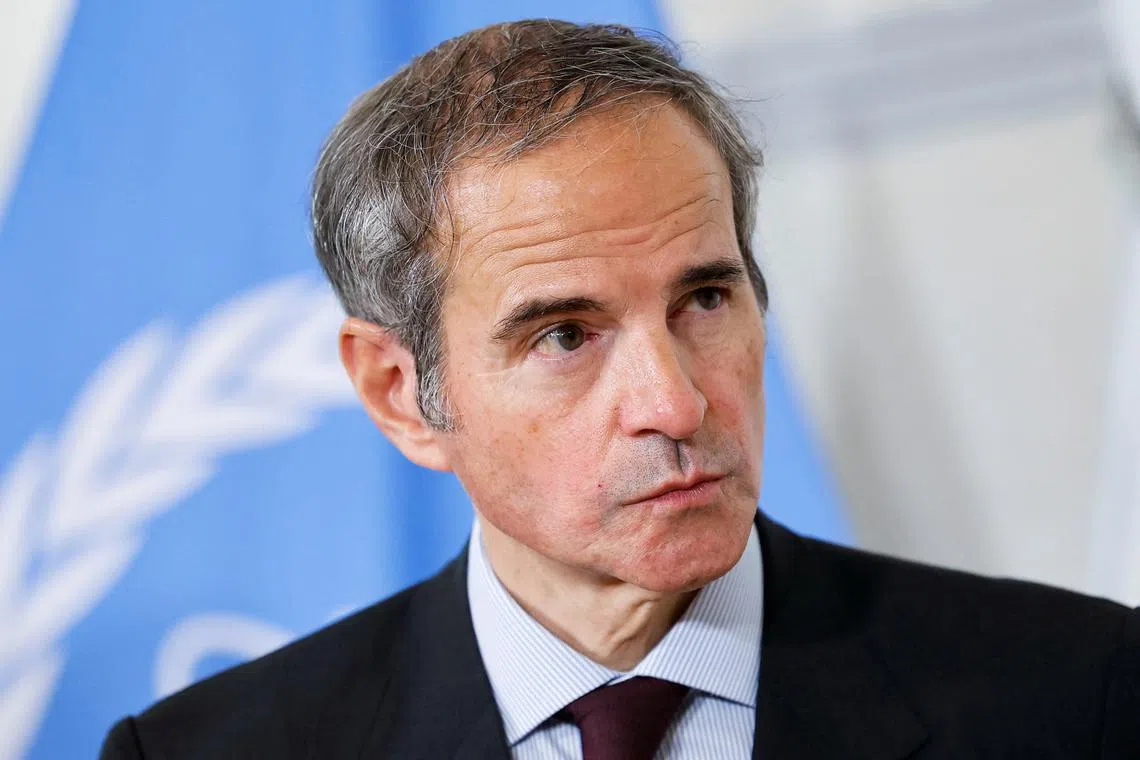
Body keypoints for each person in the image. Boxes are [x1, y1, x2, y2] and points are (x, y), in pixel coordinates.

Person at [100, 19, 1139, 760]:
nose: (677, 405)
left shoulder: (1079, 695)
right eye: (565, 333)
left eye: (704, 298)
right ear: (397, 390)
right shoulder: (208, 750)